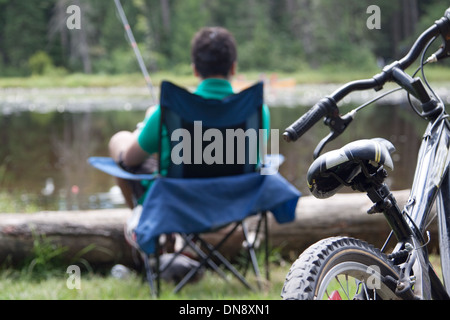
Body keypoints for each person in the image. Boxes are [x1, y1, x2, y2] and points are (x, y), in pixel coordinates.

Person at [109, 27, 270, 211]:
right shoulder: (257, 111)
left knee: (119, 139)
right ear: (233, 67)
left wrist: (145, 123)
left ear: (194, 70)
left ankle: (137, 220)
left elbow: (130, 159)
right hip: (236, 202)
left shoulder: (166, 112)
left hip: (178, 203)